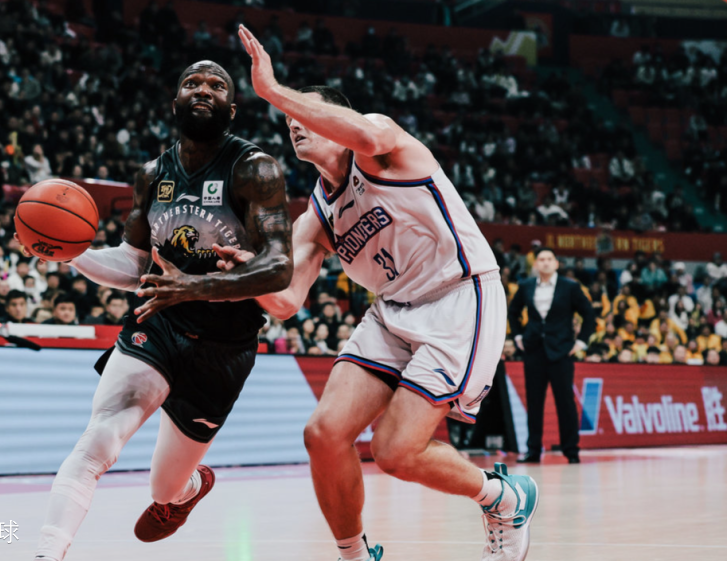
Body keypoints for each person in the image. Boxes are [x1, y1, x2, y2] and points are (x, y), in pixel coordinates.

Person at [212, 27, 532, 561]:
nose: (295, 124)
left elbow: (363, 131)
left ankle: (504, 498)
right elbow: (287, 302)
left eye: (306, 115)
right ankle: (355, 556)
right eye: (288, 121)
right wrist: (243, 277)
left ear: (337, 119)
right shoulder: (316, 215)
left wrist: (272, 91)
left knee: (394, 452)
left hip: (459, 298)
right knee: (323, 433)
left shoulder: (383, 144)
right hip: (393, 313)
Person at [29, 60, 292, 561]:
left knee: (164, 488)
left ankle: (188, 490)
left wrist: (194, 286)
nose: (203, 89)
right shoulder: (152, 175)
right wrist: (70, 252)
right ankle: (48, 551)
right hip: (158, 322)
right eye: (191, 83)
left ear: (231, 110)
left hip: (224, 345)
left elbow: (279, 268)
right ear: (175, 104)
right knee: (98, 442)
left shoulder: (254, 169)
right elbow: (133, 266)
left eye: (216, 85)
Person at [508, 248, 595, 464]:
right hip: (534, 351)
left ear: (556, 263)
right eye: (541, 259)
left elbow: (589, 314)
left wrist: (581, 342)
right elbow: (513, 311)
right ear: (535, 264)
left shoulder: (570, 287)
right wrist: (518, 336)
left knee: (565, 402)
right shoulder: (526, 286)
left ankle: (571, 450)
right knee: (534, 403)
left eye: (549, 259)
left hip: (561, 352)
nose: (545, 263)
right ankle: (533, 450)